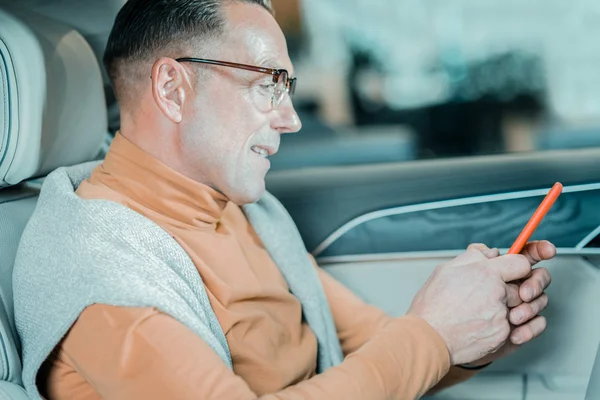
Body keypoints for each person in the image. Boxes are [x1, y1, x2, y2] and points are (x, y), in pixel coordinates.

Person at [14, 1, 554, 399]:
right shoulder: (99, 271)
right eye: (268, 83)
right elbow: (410, 347)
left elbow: (377, 344)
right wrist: (431, 335)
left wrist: (472, 335)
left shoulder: (247, 212)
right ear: (173, 89)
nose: (291, 118)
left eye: (289, 87)